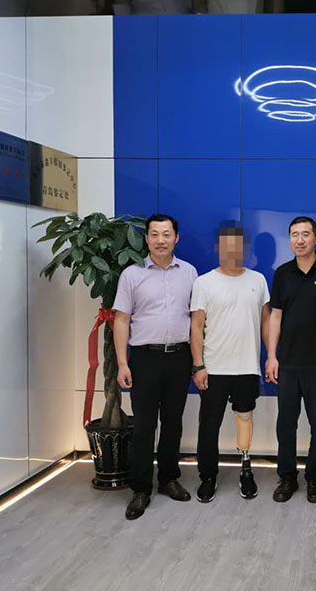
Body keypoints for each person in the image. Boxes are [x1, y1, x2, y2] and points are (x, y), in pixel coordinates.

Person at [113, 214, 198, 520]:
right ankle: (140, 488)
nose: (161, 240)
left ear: (176, 237)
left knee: (173, 422)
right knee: (144, 426)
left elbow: (197, 320)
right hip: (144, 358)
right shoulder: (131, 274)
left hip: (179, 357)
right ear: (146, 238)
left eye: (166, 234)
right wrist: (122, 363)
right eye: (154, 234)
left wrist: (197, 361)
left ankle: (168, 479)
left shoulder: (189, 273)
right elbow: (121, 320)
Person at [266, 216, 316, 503]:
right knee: (286, 424)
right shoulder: (282, 273)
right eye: (294, 235)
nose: (299, 240)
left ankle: (314, 478)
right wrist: (271, 356)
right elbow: (275, 317)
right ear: (289, 239)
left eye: (305, 234)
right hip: (287, 363)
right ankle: (287, 477)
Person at [190, 221, 270, 502]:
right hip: (214, 368)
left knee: (245, 420)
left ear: (246, 247)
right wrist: (198, 365)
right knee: (209, 425)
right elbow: (196, 326)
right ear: (217, 248)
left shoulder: (258, 280)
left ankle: (246, 470)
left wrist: (271, 356)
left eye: (238, 244)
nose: (233, 250)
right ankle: (208, 476)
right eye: (226, 244)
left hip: (247, 367)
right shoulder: (204, 282)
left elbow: (266, 321)